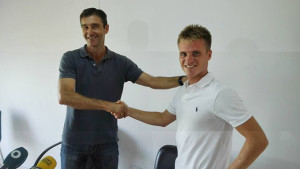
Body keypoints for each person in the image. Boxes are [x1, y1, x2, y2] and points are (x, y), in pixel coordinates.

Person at [115, 25, 269, 169]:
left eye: (196, 53)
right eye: (184, 54)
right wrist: (127, 111)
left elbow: (258, 140)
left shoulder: (220, 94)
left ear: (209, 55)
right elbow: (163, 119)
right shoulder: (184, 90)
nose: (188, 60)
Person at [58, 8, 187, 169]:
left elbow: (153, 81)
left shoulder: (121, 63)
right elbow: (65, 96)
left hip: (107, 144)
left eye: (95, 26)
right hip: (74, 143)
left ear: (106, 28)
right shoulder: (70, 59)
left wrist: (183, 79)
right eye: (85, 27)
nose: (89, 32)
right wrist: (108, 105)